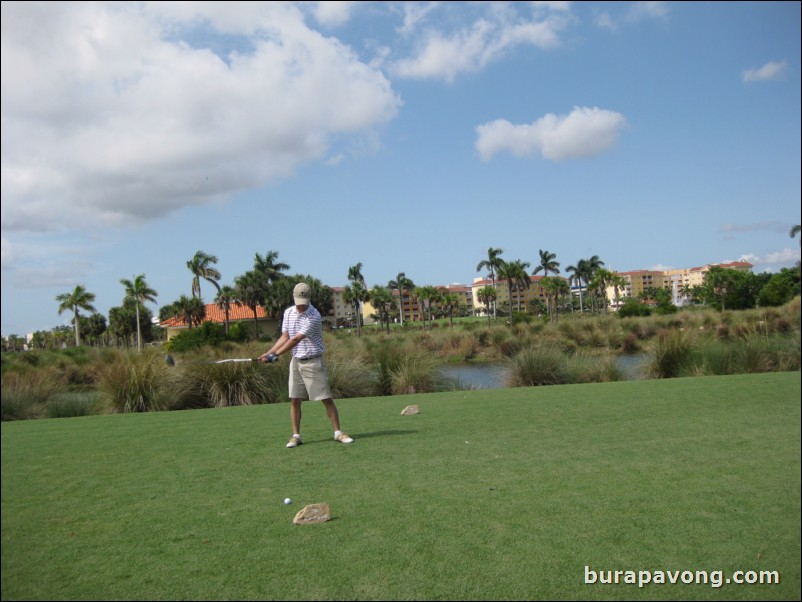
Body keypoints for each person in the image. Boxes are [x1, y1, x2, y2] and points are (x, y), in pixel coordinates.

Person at [259, 282, 353, 448]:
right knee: (295, 400)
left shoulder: (314, 316)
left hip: (314, 361)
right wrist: (269, 352)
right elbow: (285, 336)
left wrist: (276, 355)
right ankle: (296, 436)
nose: (301, 307)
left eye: (303, 303)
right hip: (296, 362)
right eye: (298, 303)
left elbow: (296, 339)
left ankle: (338, 432)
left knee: (326, 399)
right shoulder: (288, 313)